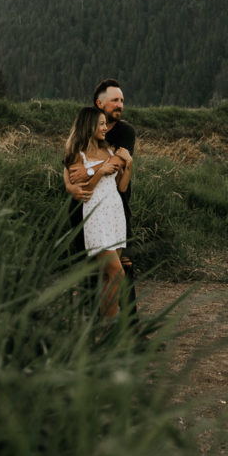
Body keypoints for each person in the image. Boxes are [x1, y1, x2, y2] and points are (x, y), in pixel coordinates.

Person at [66, 79, 138, 310]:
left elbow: (115, 166)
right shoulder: (83, 137)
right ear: (100, 103)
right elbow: (70, 169)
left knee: (121, 270)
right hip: (89, 209)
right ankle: (92, 326)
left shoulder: (123, 133)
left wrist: (93, 170)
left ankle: (129, 329)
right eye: (115, 100)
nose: (120, 105)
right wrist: (69, 186)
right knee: (92, 271)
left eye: (122, 101)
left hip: (116, 208)